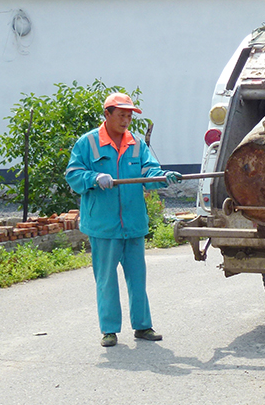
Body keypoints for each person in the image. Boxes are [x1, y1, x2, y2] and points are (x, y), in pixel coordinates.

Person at [65, 93, 182, 347]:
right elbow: (73, 174)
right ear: (107, 115)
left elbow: (148, 171)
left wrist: (164, 176)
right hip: (103, 225)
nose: (126, 120)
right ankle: (109, 330)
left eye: (129, 116)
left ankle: (142, 326)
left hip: (132, 222)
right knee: (106, 279)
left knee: (137, 277)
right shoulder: (88, 143)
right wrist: (94, 178)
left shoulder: (136, 144)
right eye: (121, 115)